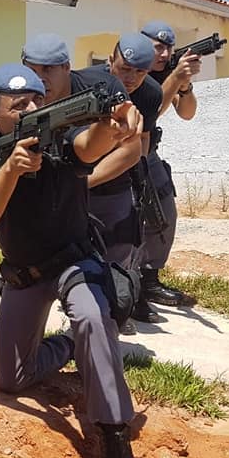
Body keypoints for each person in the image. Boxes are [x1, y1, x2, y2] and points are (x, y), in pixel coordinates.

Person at [0, 58, 142, 458]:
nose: (31, 108)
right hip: (24, 273)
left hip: (74, 262)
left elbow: (89, 145)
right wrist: (11, 170)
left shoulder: (60, 130)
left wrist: (112, 125)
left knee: (92, 316)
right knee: (12, 379)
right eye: (18, 104)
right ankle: (69, 346)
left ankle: (115, 448)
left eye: (37, 100)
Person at [70, 33, 162, 334]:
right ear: (110, 60)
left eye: (140, 72)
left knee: (120, 249)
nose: (131, 78)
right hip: (76, 176)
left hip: (116, 178)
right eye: (125, 69)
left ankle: (114, 309)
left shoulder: (150, 93)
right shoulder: (83, 82)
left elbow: (141, 144)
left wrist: (135, 178)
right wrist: (78, 182)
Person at [130, 20, 203, 322]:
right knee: (129, 218)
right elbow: (151, 110)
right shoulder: (131, 71)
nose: (164, 53)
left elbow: (187, 113)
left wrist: (184, 86)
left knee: (164, 212)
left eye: (168, 48)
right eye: (158, 47)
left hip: (149, 154)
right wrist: (175, 77)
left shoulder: (167, 73)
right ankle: (128, 285)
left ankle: (150, 280)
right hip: (122, 153)